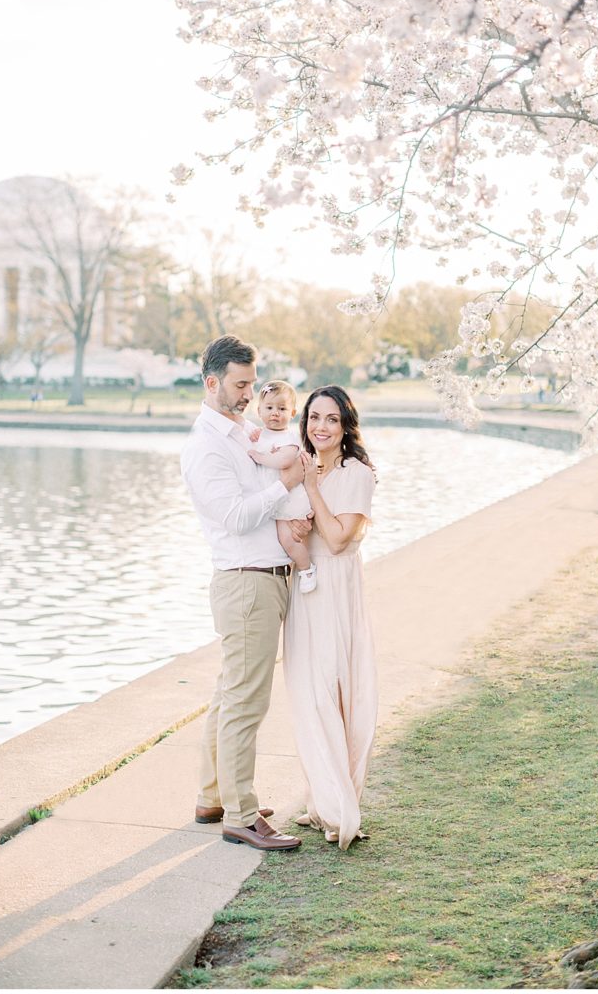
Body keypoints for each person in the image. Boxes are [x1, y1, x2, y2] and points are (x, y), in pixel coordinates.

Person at [180, 334, 310, 852]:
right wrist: (285, 486)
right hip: (245, 582)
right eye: (240, 384)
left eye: (252, 384)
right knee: (246, 702)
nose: (248, 393)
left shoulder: (244, 432)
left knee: (229, 694)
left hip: (266, 578)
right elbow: (234, 518)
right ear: (212, 383)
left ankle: (215, 797)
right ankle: (242, 815)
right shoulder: (205, 447)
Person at [283, 385, 378, 850]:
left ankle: (341, 806)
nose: (320, 427)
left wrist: (312, 491)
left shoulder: (356, 473)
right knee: (306, 693)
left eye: (331, 419)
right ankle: (321, 799)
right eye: (313, 417)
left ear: (345, 426)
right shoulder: (301, 464)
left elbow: (339, 538)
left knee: (334, 695)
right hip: (305, 591)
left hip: (336, 591)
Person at [246, 380, 317, 593]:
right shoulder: (260, 435)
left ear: (293, 412)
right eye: (269, 408)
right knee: (281, 539)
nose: (275, 413)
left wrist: (260, 456)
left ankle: (306, 569)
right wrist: (256, 441)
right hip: (274, 499)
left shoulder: (289, 437)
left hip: (289, 499)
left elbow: (285, 461)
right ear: (259, 411)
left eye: (282, 408)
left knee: (288, 539)